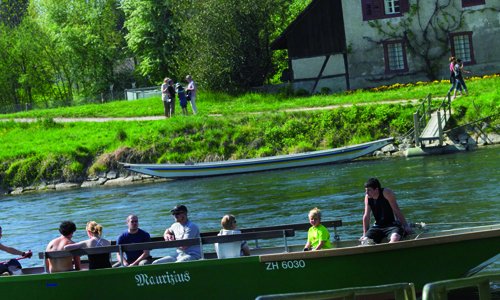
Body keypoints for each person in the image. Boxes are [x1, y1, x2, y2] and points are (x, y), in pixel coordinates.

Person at [362, 177, 412, 244]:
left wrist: (405, 225)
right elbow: (366, 216)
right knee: (364, 241)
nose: (366, 192)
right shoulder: (367, 197)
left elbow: (396, 210)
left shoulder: (386, 192)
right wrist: (365, 234)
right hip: (378, 227)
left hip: (392, 226)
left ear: (376, 189)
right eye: (366, 190)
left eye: (369, 190)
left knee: (395, 238)